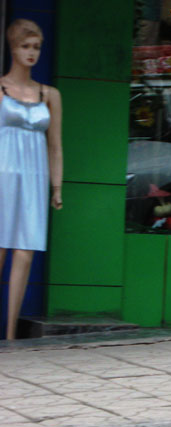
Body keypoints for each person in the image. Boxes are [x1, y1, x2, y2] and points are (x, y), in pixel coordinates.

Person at [0, 19, 63, 340]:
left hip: (34, 179)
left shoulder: (49, 94)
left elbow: (55, 145)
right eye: (25, 46)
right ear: (12, 47)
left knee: (25, 253)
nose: (31, 53)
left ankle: (10, 334)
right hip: (3, 175)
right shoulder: (0, 89)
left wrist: (57, 186)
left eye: (36, 47)